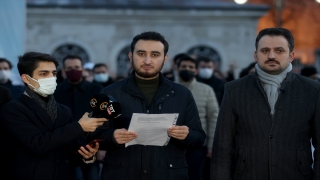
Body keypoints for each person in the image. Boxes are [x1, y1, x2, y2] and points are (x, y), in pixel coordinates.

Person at [89, 31, 206, 180]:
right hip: (122, 174)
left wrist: (187, 135)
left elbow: (199, 137)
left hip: (169, 174)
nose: (147, 60)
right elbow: (92, 135)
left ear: (165, 58)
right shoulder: (110, 93)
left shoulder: (182, 94)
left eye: (155, 55)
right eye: (141, 54)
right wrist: (112, 137)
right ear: (131, 56)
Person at [211, 27, 320, 180]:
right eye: (265, 50)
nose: (271, 55)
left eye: (279, 50)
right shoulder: (234, 90)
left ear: (291, 55)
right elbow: (222, 146)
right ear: (256, 55)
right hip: (248, 175)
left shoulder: (312, 90)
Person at [0, 52, 108, 180]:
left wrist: (87, 155)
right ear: (26, 78)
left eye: (53, 73)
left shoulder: (63, 110)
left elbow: (70, 152)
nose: (51, 78)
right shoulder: (13, 109)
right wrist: (79, 127)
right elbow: (37, 144)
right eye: (44, 74)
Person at [54, 55, 103, 180]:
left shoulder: (96, 89)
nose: (73, 70)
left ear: (83, 69)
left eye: (76, 67)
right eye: (69, 68)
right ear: (64, 71)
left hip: (90, 147)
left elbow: (104, 118)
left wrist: (103, 147)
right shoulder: (56, 91)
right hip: (64, 148)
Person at [176, 55, 219, 180]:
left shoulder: (206, 90)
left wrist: (211, 145)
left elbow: (213, 118)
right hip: (172, 145)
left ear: (196, 70)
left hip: (198, 145)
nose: (187, 69)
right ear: (177, 69)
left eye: (191, 67)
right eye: (184, 66)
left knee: (195, 175)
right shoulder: (167, 89)